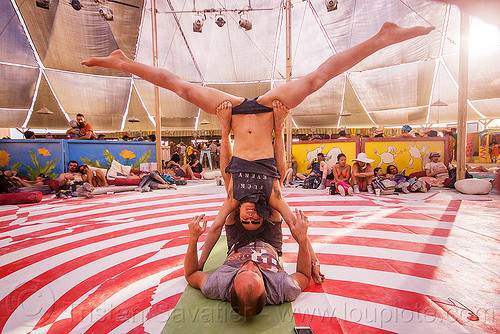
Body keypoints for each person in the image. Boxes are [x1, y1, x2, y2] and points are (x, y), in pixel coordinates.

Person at [82, 23, 434, 117]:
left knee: (183, 88)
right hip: (265, 109)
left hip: (235, 112)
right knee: (315, 79)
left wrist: (225, 126)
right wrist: (279, 121)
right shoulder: (271, 186)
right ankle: (123, 60)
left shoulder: (240, 192)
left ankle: (122, 61)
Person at [198, 101, 324, 286]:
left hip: (238, 241)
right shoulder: (272, 200)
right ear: (262, 216)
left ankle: (225, 130)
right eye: (255, 220)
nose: (250, 216)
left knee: (229, 184)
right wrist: (314, 261)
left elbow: (216, 228)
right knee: (276, 184)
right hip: (269, 234)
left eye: (246, 220)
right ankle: (279, 128)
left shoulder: (234, 200)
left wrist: (200, 263)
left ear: (238, 215)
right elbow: (295, 226)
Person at [185, 209, 311, 317]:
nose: (250, 263)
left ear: (231, 289)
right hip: (269, 242)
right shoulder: (282, 287)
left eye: (242, 271)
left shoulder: (218, 284)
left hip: (238, 240)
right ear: (266, 293)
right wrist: (303, 238)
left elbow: (191, 274)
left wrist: (193, 238)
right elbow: (304, 275)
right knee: (272, 205)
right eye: (256, 272)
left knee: (237, 203)